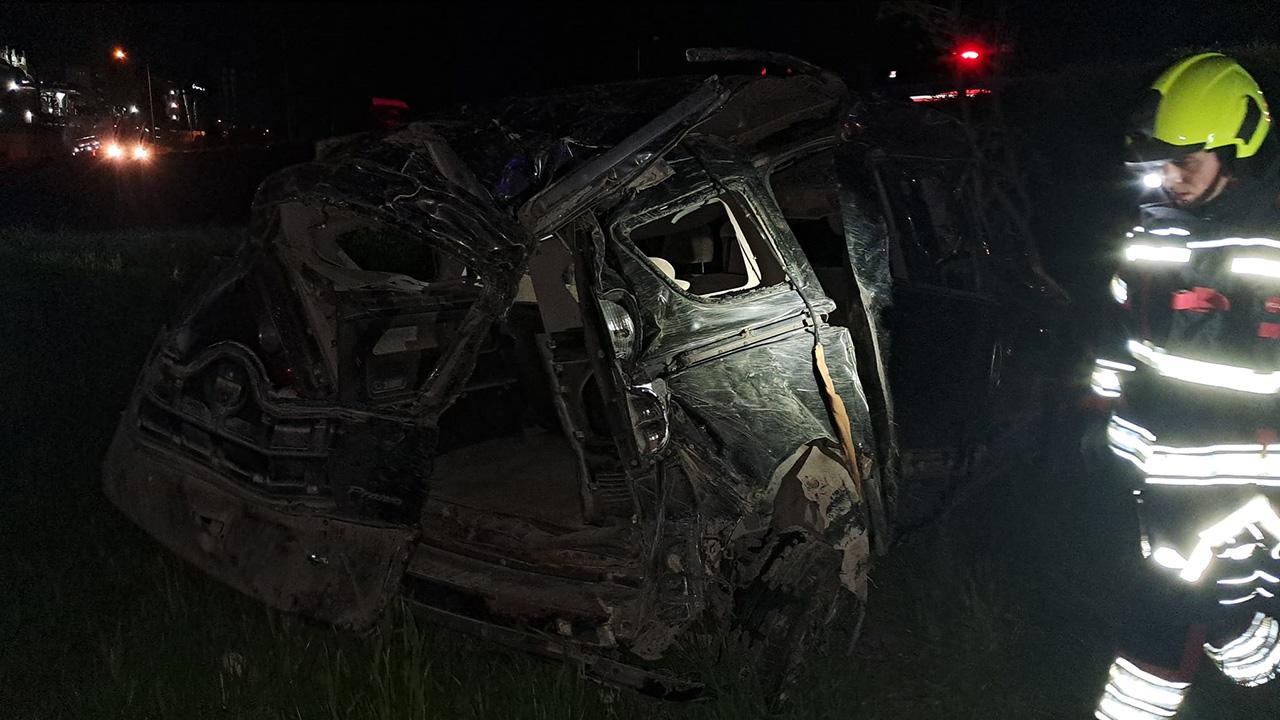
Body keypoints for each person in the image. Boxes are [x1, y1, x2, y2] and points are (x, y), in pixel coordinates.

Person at [1092, 53, 1280, 719]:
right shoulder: (1152, 230)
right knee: (1202, 606)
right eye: (1159, 161)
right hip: (1164, 470)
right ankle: (1252, 664)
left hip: (1247, 476)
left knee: (1176, 611)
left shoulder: (1270, 239)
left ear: (1235, 149)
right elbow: (1121, 331)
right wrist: (1107, 411)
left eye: (1185, 161)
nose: (1171, 177)